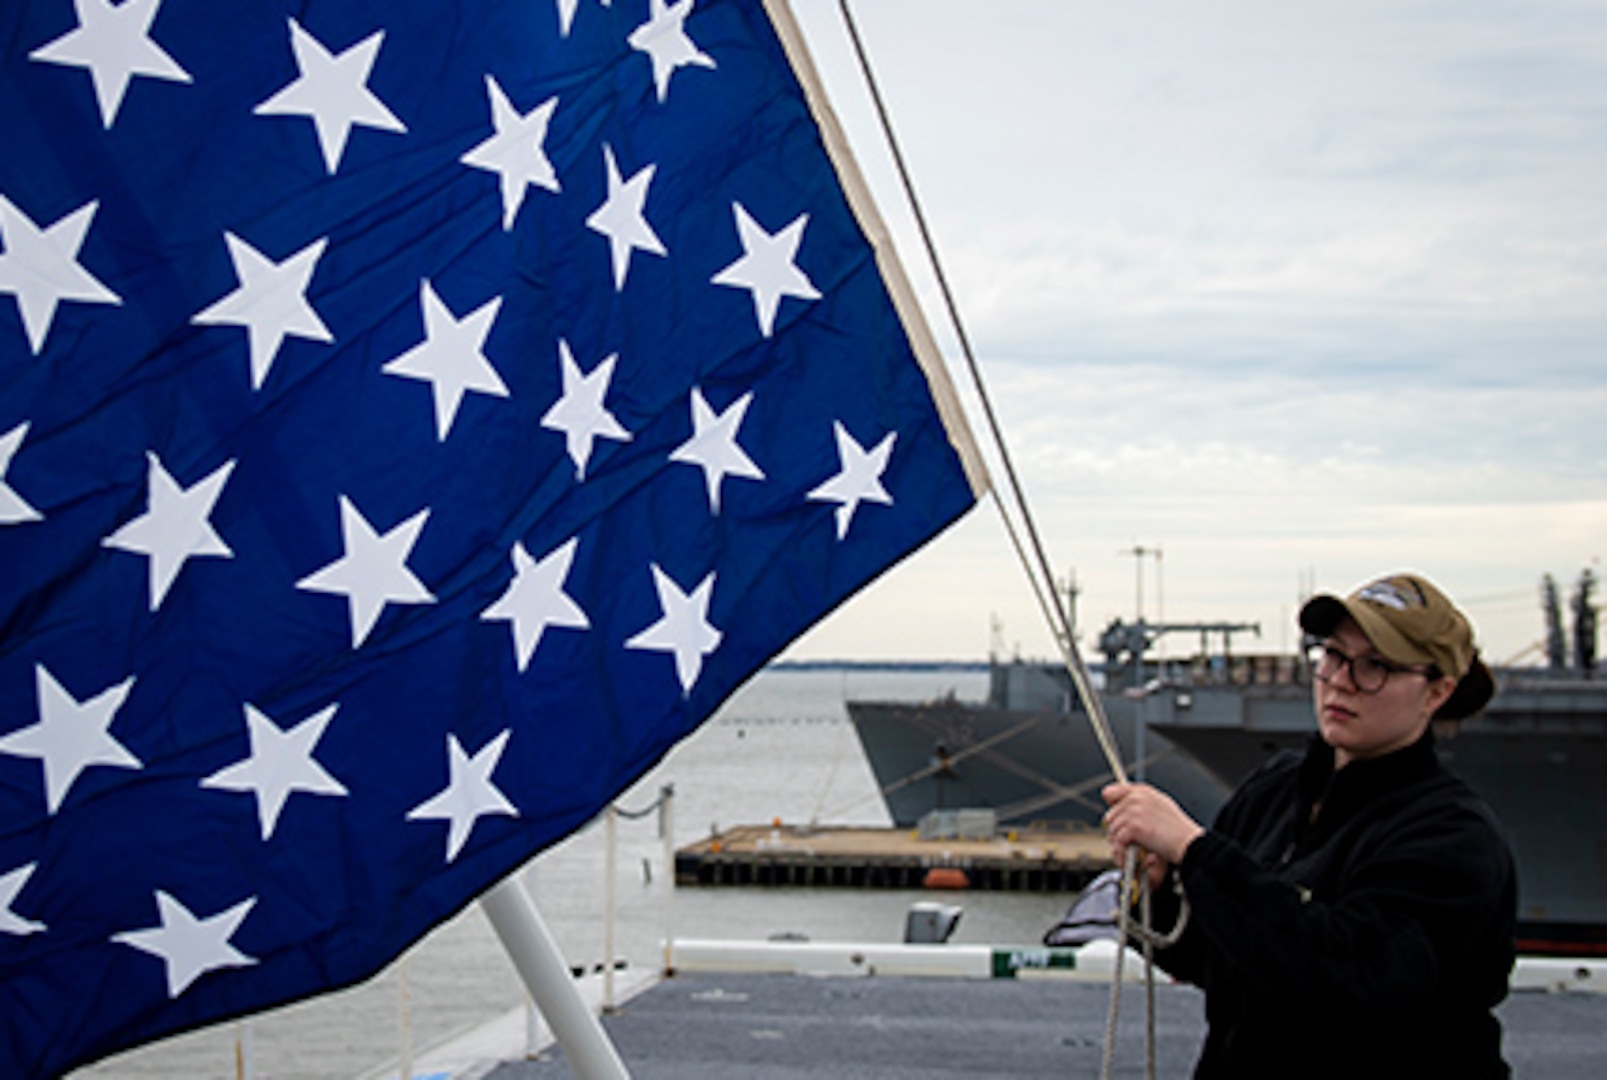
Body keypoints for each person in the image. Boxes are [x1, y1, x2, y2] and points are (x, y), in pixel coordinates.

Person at [1102, 572, 1516, 1078]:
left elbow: (1348, 983)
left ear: (1437, 692)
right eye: (1334, 656)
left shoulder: (1453, 838)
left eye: (1376, 667)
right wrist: (1162, 892)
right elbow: (1219, 959)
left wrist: (1196, 850)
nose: (1342, 681)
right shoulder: (1277, 788)